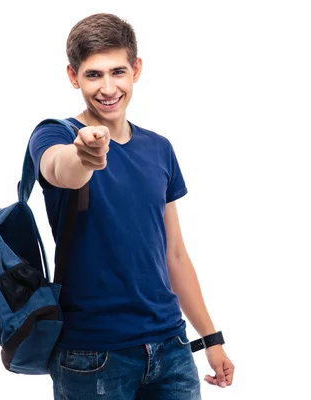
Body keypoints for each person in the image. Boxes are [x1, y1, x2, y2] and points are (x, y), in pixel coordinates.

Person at [29, 12, 235, 399]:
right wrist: (86, 154)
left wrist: (211, 337)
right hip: (92, 356)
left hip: (172, 350)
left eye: (117, 71)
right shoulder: (55, 134)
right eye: (93, 75)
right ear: (73, 76)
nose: (108, 87)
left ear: (136, 69)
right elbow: (61, 169)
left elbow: (174, 253)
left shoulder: (159, 148)